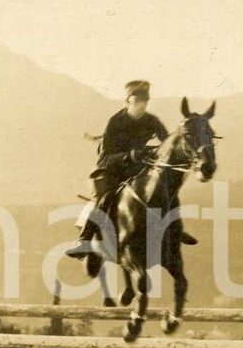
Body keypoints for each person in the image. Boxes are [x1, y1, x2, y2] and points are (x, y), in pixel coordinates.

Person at [65, 80, 196, 259]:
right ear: (128, 101)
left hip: (139, 169)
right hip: (113, 170)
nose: (142, 105)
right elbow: (104, 158)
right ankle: (84, 240)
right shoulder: (115, 121)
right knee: (105, 198)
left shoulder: (152, 120)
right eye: (138, 101)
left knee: (164, 189)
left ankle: (175, 228)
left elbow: (167, 144)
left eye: (145, 101)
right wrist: (129, 156)